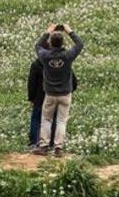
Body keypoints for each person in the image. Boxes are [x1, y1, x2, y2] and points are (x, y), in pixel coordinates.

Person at [35, 24, 84, 156]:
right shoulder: (67, 56)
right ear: (62, 43)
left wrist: (47, 32)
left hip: (50, 93)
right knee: (61, 121)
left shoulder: (45, 56)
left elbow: (37, 46)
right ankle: (58, 148)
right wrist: (69, 31)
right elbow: (79, 44)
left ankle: (44, 146)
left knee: (46, 120)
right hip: (65, 93)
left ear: (50, 43)